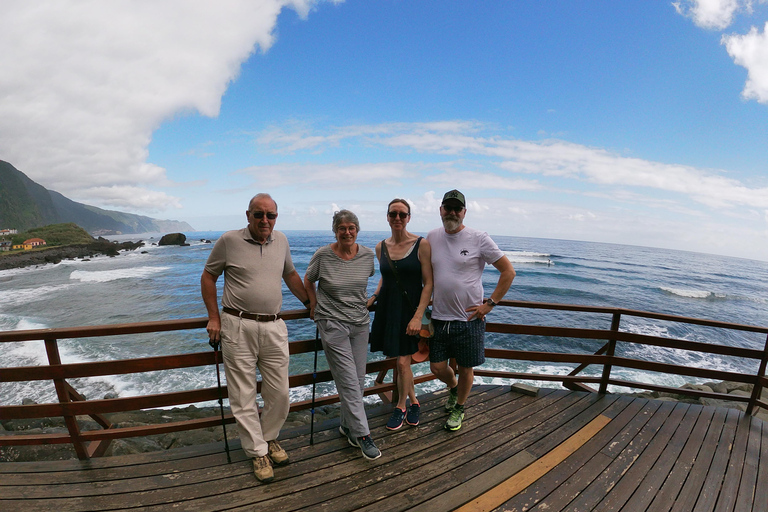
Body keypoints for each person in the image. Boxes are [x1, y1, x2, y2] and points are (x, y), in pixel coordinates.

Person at [201, 193, 311, 483]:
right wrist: (213, 317)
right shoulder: (228, 240)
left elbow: (290, 274)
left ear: (276, 217)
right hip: (237, 325)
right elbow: (208, 276)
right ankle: (258, 451)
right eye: (259, 214)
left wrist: (310, 305)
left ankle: (269, 436)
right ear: (247, 215)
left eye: (270, 215)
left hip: (274, 326)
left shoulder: (282, 240)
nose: (265, 220)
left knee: (280, 392)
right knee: (243, 394)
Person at [427, 189, 516, 432]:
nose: (452, 212)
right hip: (438, 317)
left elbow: (508, 272)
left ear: (464, 212)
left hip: (469, 319)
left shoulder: (479, 238)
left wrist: (491, 304)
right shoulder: (432, 237)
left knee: (466, 368)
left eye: (457, 209)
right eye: (448, 208)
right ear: (441, 210)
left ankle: (459, 407)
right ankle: (454, 389)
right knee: (436, 367)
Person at [303, 210, 381, 460]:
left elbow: (365, 283)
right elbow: (308, 279)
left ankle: (347, 427)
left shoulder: (368, 255)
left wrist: (373, 299)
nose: (347, 232)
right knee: (348, 380)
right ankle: (363, 435)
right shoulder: (323, 255)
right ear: (335, 231)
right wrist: (313, 305)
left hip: (360, 324)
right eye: (342, 228)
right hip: (332, 323)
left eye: (351, 228)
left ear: (357, 230)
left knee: (357, 380)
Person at [368, 198, 433, 430]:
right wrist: (374, 297)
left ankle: (400, 406)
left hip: (411, 312)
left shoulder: (421, 244)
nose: (397, 218)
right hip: (388, 309)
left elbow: (428, 283)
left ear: (408, 218)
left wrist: (418, 316)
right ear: (387, 217)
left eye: (402, 214)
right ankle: (414, 401)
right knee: (401, 359)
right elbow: (386, 277)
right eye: (393, 214)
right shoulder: (380, 247)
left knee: (403, 362)